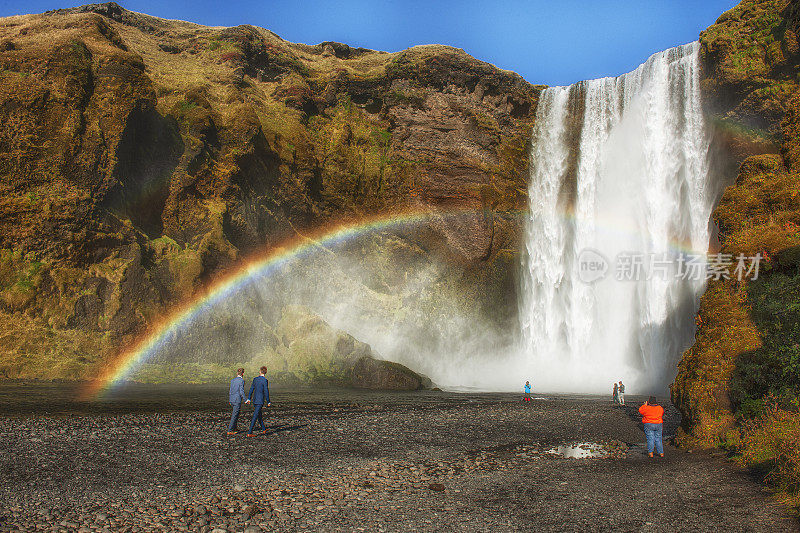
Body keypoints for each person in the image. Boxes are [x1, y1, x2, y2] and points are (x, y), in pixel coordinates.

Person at [247, 366, 271, 437]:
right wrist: (268, 401)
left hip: (255, 400)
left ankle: (263, 429)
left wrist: (249, 398)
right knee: (255, 415)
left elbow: (251, 389)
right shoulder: (265, 380)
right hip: (260, 400)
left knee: (259, 414)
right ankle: (250, 432)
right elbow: (266, 391)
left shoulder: (255, 379)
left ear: (260, 371)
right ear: (265, 372)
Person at [227, 368, 250, 435]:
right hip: (237, 400)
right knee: (234, 415)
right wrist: (245, 400)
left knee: (236, 414)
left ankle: (234, 428)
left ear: (237, 373)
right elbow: (241, 391)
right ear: (243, 374)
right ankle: (230, 430)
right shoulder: (241, 381)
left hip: (232, 399)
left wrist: (230, 399)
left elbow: (230, 391)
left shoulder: (232, 380)